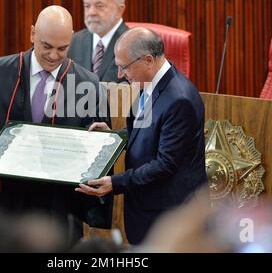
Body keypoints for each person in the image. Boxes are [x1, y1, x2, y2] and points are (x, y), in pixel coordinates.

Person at [0, 5, 112, 244]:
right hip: (2, 199)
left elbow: (94, 139)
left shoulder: (87, 84)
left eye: (62, 48)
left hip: (56, 204)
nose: (53, 55)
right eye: (46, 46)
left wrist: (101, 141)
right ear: (32, 34)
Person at [76, 27, 208, 244]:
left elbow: (165, 164)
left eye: (123, 67)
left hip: (168, 218)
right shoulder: (153, 84)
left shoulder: (179, 99)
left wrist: (115, 182)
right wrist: (115, 137)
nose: (120, 75)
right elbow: (150, 132)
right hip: (149, 210)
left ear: (148, 60)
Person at [67, 0, 128, 83]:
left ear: (119, 10)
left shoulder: (133, 44)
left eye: (99, 6)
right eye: (87, 6)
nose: (91, 12)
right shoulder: (73, 41)